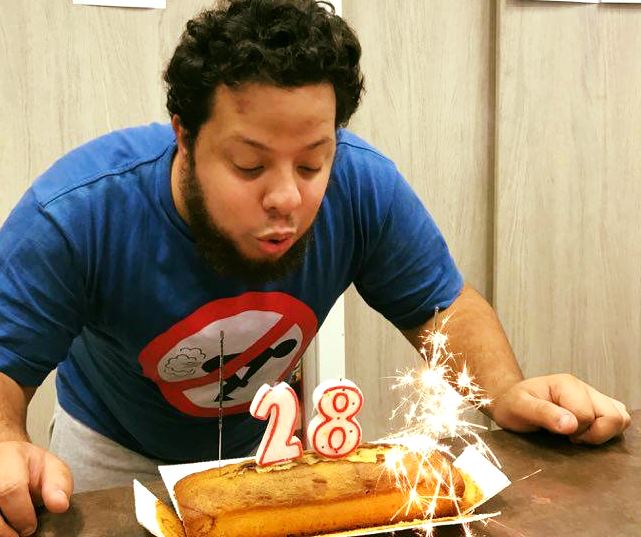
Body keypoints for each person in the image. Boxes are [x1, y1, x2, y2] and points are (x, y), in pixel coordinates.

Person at [0, 0, 630, 535]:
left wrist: (505, 393)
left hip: (271, 459)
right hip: (115, 458)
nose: (287, 198)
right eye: (249, 165)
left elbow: (441, 306)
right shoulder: (78, 213)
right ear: (184, 138)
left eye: (311, 163)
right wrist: (6, 444)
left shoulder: (362, 186)